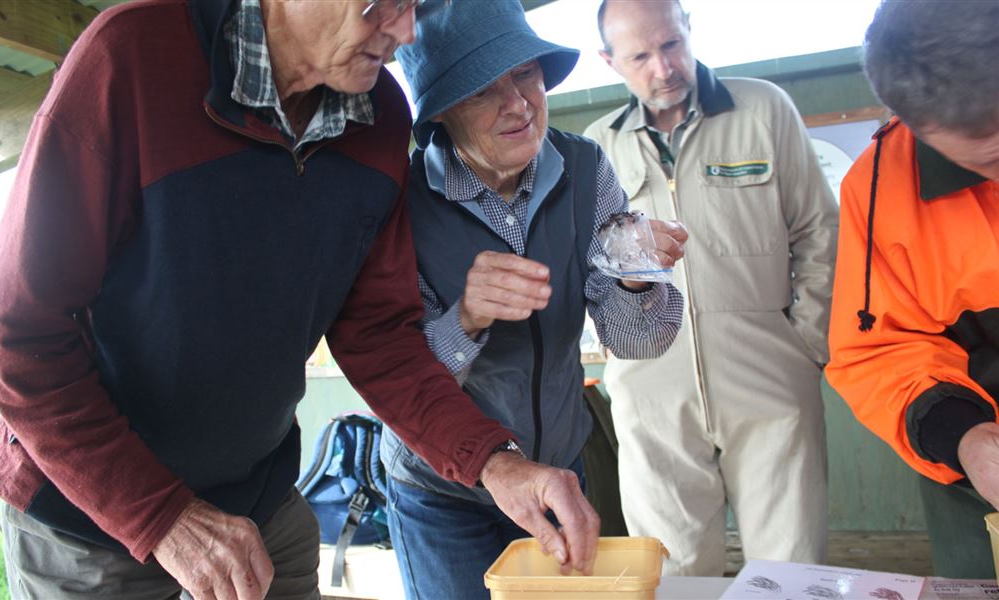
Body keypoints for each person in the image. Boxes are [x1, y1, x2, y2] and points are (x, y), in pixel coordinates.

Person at [0, 1, 601, 598]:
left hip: (260, 503)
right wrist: (164, 517)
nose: (406, 32)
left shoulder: (381, 119)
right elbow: (20, 335)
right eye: (381, 3)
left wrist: (496, 462)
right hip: (91, 523)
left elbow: (380, 338)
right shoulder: (130, 59)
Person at [382, 1, 688, 597]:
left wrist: (633, 271)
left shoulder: (584, 166)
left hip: (556, 477)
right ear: (442, 111)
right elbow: (396, 380)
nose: (519, 104)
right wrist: (465, 318)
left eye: (526, 73)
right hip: (443, 492)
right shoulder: (400, 204)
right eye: (481, 91)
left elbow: (638, 339)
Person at [583, 0, 839, 576]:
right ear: (609, 61)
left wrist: (807, 345)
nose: (663, 68)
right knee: (674, 574)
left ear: (689, 29)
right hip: (651, 392)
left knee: (791, 566)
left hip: (770, 376)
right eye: (641, 56)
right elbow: (591, 272)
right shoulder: (595, 147)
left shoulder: (764, 110)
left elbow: (819, 231)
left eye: (671, 44)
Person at [826, 0, 999, 580]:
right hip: (982, 485)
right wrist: (969, 441)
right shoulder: (879, 190)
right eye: (994, 154)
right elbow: (880, 354)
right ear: (918, 128)